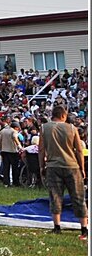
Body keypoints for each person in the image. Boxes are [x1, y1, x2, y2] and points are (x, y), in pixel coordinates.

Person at [39, 103, 88, 240]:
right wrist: (82, 168)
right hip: (71, 166)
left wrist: (42, 166)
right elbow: (79, 150)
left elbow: (41, 150)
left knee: (55, 196)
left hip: (53, 166)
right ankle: (84, 228)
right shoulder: (72, 128)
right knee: (78, 197)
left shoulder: (44, 128)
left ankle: (57, 226)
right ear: (63, 115)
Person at [0, 119, 22, 186]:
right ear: (16, 127)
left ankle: (6, 182)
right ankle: (16, 182)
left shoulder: (2, 131)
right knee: (15, 168)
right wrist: (19, 146)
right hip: (12, 151)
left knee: (6, 168)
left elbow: (0, 141)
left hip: (4, 151)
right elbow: (15, 137)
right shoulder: (14, 131)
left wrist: (1, 149)